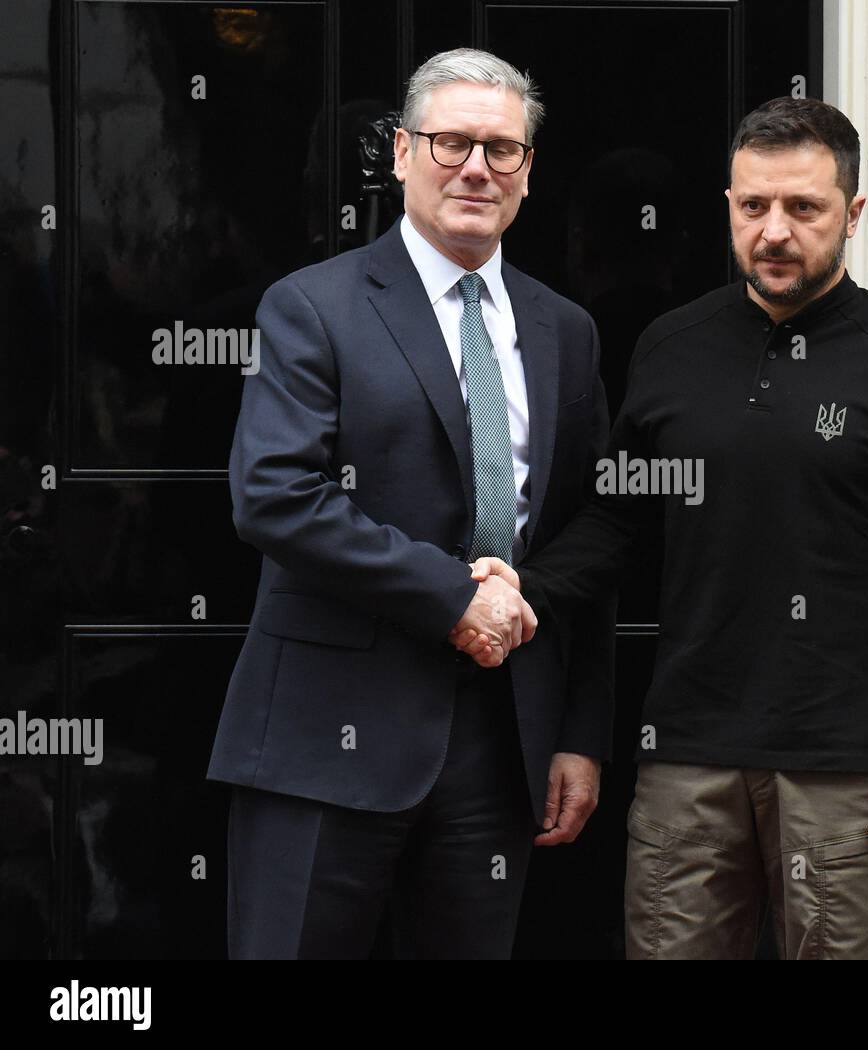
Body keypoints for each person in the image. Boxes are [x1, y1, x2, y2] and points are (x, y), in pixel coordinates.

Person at [456, 96, 868, 960]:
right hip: (687, 755)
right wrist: (529, 587)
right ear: (730, 208)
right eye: (753, 207)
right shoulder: (673, 347)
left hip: (845, 765)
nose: (775, 231)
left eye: (804, 208)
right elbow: (619, 521)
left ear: (853, 214)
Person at [207, 47, 615, 959]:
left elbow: (591, 532)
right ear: (399, 154)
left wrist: (580, 735)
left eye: (501, 150)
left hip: (499, 745)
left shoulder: (566, 331)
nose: (476, 168)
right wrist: (453, 597)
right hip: (324, 735)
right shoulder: (312, 307)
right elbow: (274, 496)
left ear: (528, 172)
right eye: (450, 143)